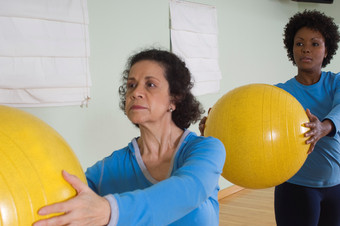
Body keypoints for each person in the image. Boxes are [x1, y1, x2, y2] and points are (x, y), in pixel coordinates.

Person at [33, 49, 226, 226]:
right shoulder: (108, 169)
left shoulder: (207, 149)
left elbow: (188, 190)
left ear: (174, 98)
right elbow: (63, 195)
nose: (135, 93)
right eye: (131, 85)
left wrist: (109, 211)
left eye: (150, 85)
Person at [274, 10, 340, 226]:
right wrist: (217, 122)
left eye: (314, 43)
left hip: (337, 186)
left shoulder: (336, 83)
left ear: (326, 49)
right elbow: (249, 118)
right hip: (295, 187)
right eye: (299, 44)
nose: (306, 50)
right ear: (291, 49)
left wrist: (325, 127)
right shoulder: (280, 93)